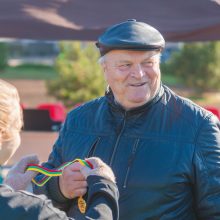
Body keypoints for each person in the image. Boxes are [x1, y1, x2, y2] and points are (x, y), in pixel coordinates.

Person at [33, 19, 220, 219]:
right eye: (125, 65)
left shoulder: (198, 126)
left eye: (148, 63)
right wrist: (59, 188)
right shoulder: (78, 119)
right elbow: (42, 190)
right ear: (105, 69)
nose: (139, 74)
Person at [0, 79, 119, 220]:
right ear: (3, 132)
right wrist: (105, 187)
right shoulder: (30, 210)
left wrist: (9, 189)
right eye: (18, 127)